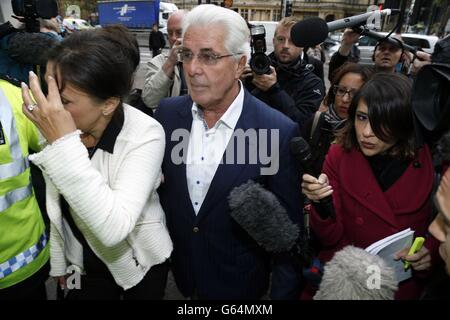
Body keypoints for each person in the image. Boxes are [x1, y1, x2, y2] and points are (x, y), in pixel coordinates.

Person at [154, 4, 302, 299]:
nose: (193, 69)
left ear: (239, 64)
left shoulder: (276, 132)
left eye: (209, 56)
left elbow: (288, 241)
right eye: (187, 55)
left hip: (239, 288)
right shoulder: (167, 115)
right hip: (180, 281)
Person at [20, 27, 173, 300]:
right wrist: (60, 262)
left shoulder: (145, 133)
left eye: (63, 100)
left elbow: (113, 228)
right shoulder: (63, 126)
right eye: (47, 91)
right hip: (82, 266)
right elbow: (58, 208)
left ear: (108, 104)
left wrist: (63, 144)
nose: (50, 107)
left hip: (139, 264)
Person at [301, 73, 438, 299]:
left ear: (403, 123)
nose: (366, 133)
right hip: (343, 282)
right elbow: (329, 237)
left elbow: (441, 229)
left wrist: (429, 255)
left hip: (396, 286)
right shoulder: (338, 155)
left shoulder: (433, 162)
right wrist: (320, 203)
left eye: (381, 122)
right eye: (362, 117)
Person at [0, 76, 50, 300]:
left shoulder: (14, 95)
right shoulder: (12, 95)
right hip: (24, 260)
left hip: (23, 262)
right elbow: (54, 148)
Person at [243, 16, 324, 129]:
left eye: (292, 41)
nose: (285, 46)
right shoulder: (256, 69)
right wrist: (237, 83)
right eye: (281, 39)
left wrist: (274, 90)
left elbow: (302, 123)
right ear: (273, 41)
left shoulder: (312, 83)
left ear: (302, 46)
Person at [300, 63, 374, 175]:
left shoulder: (369, 134)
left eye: (354, 94)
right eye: (341, 90)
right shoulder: (317, 122)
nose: (345, 99)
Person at [142, 10, 188, 111]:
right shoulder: (157, 62)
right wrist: (170, 62)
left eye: (179, 32)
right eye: (170, 33)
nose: (173, 38)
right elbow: (149, 100)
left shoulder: (203, 61)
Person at [328, 28, 405, 81]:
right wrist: (346, 45)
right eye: (382, 48)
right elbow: (335, 76)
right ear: (374, 53)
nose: (386, 52)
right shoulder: (362, 76)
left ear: (401, 55)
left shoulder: (404, 83)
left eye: (393, 49)